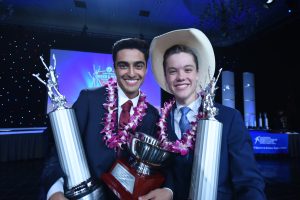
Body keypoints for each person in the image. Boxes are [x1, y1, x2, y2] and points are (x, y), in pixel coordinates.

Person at [140, 28, 266, 200]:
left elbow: (249, 183)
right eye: (172, 71)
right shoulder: (159, 122)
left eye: (188, 69)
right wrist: (169, 189)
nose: (180, 76)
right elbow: (165, 171)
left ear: (198, 74)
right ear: (166, 78)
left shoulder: (228, 118)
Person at [41, 38, 160, 200]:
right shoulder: (89, 100)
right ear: (115, 68)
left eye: (138, 65)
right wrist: (55, 193)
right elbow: (58, 151)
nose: (131, 73)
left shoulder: (152, 115)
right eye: (123, 65)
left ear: (146, 69)